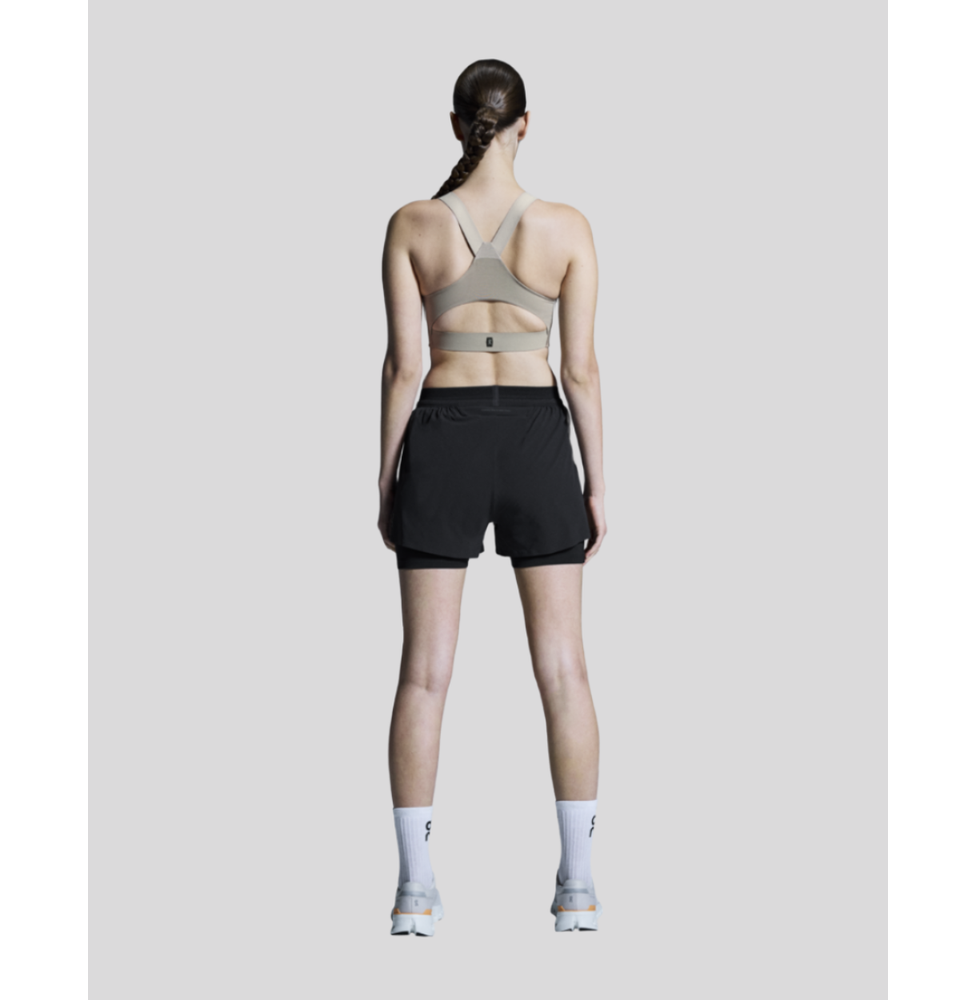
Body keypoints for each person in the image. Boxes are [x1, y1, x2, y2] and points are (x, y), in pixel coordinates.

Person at [377, 58, 607, 935]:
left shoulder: (412, 224)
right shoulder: (566, 227)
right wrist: (596, 483)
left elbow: (404, 367)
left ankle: (413, 893)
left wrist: (388, 475)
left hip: (444, 433)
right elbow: (579, 370)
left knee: (424, 675)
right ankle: (578, 889)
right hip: (539, 438)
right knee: (565, 669)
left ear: (455, 124)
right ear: (525, 124)